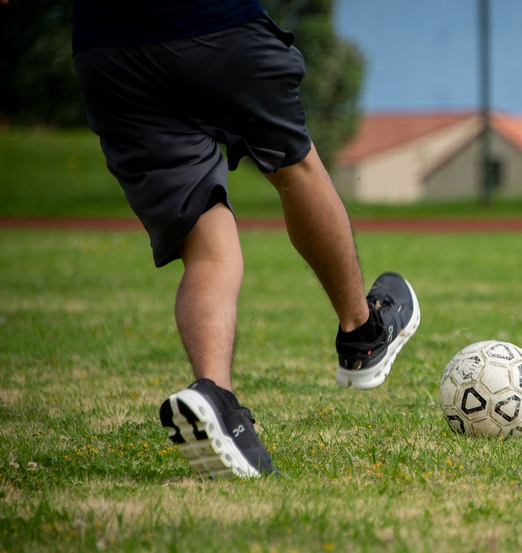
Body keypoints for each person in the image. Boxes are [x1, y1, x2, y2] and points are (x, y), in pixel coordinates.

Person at [70, 0, 420, 479]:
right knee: (295, 168)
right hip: (216, 25)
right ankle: (361, 331)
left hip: (109, 52)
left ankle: (214, 398)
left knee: (205, 245)